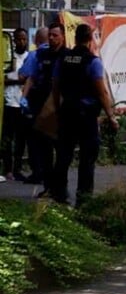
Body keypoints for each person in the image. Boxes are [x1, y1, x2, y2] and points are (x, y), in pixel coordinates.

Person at [51, 23, 118, 206]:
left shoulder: (63, 60)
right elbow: (101, 92)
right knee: (87, 158)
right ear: (90, 40)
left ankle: (58, 195)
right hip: (86, 116)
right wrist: (111, 116)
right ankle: (84, 198)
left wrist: (57, 109)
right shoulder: (92, 62)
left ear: (75, 38)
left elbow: (55, 87)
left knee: (63, 155)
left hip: (67, 113)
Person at [22, 24, 64, 194]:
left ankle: (60, 188)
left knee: (61, 151)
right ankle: (48, 187)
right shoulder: (41, 54)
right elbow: (31, 77)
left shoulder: (66, 56)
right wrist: (24, 97)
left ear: (62, 37)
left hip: (58, 108)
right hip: (41, 107)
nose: (52, 39)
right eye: (50, 36)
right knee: (44, 151)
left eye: (55, 35)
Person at [2, 28, 30, 182]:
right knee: (7, 138)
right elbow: (4, 79)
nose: (21, 42)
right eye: (18, 39)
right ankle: (7, 169)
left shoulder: (29, 58)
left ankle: (18, 169)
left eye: (24, 39)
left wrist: (19, 79)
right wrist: (18, 80)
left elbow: (30, 78)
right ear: (14, 41)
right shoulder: (8, 58)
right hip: (9, 102)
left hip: (23, 104)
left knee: (21, 139)